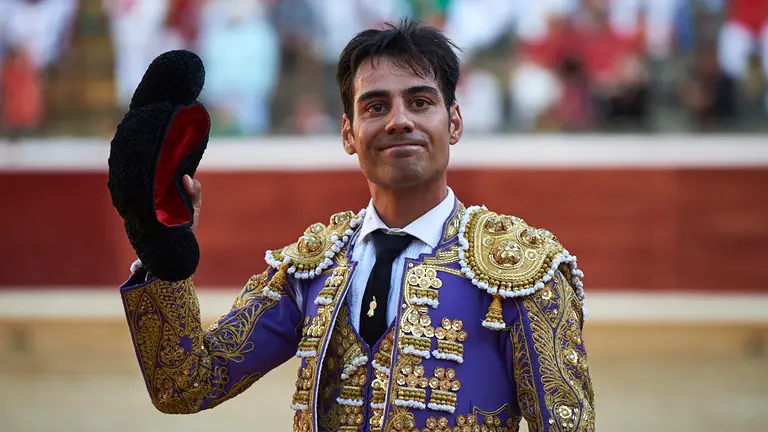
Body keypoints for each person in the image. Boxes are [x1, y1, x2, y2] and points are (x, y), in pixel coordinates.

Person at [117, 18, 595, 431]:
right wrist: (162, 251)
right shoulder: (312, 266)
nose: (399, 121)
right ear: (348, 133)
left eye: (421, 102)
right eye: (376, 106)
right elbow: (185, 384)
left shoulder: (524, 272)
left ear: (454, 123)